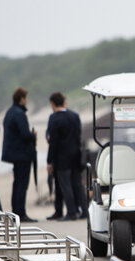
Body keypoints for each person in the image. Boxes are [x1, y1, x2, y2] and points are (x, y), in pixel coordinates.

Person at [46, 91, 85, 221]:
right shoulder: (74, 116)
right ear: (63, 101)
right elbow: (79, 134)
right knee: (77, 184)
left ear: (52, 103)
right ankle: (84, 210)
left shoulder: (54, 118)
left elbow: (53, 142)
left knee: (65, 185)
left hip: (61, 157)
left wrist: (49, 161)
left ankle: (71, 212)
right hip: (75, 154)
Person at [1, 87, 38, 222]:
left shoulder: (10, 112)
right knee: (22, 184)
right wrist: (33, 135)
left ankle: (15, 212)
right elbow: (24, 134)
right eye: (26, 98)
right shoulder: (19, 114)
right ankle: (21, 213)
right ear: (21, 98)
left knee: (17, 183)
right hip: (22, 154)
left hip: (14, 153)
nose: (26, 100)